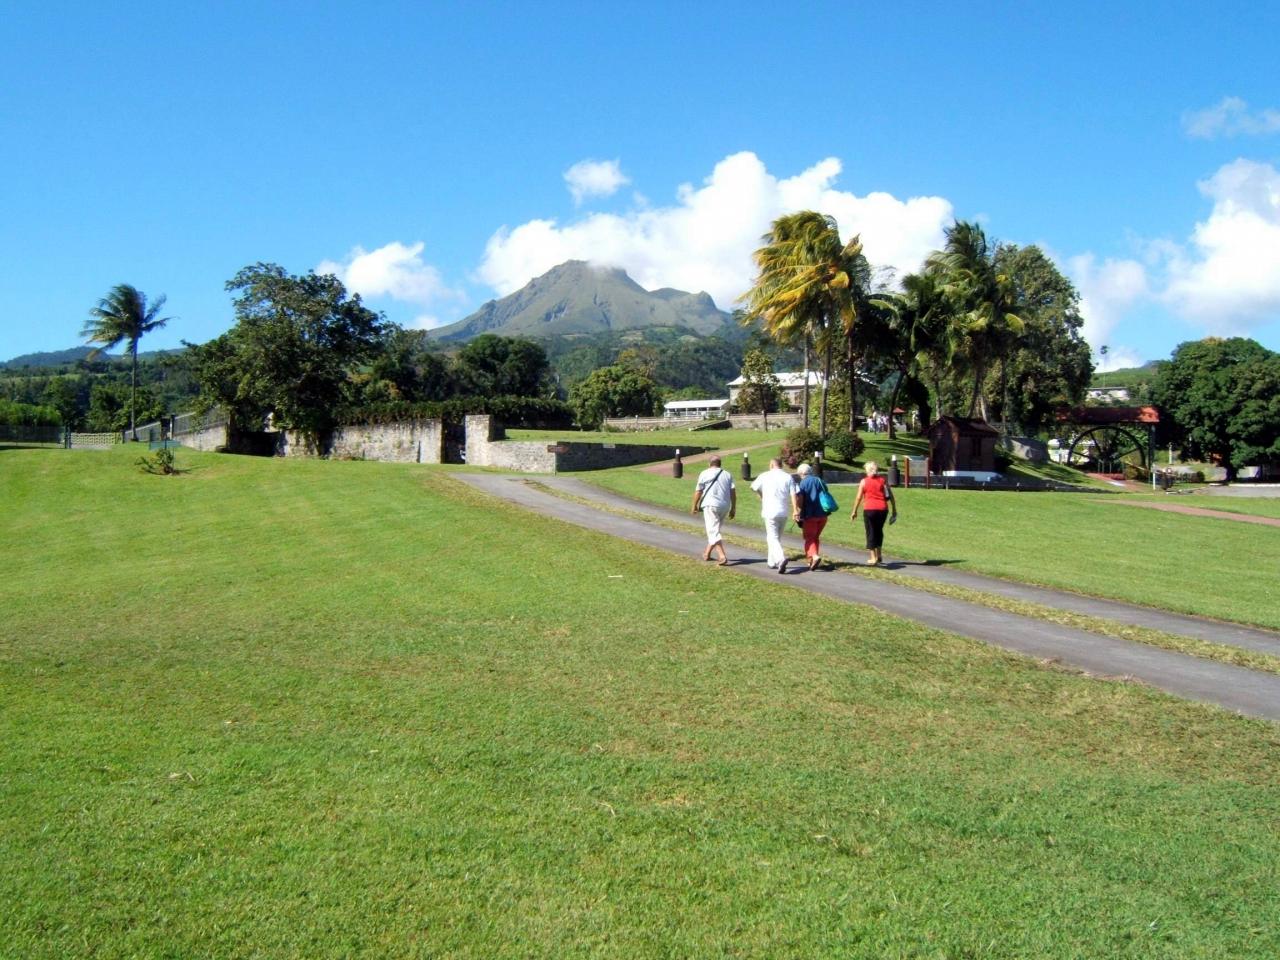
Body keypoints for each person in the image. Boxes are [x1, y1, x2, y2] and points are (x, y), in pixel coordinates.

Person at [750, 457, 795, 573]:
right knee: (776, 537)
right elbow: (793, 494)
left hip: (770, 510)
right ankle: (772, 561)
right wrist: (795, 510)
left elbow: (753, 487)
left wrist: (761, 494)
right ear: (781, 465)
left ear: (771, 465)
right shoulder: (788, 477)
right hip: (783, 511)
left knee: (772, 537)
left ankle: (780, 559)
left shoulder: (765, 475)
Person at [690, 455, 736, 565]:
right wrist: (733, 507)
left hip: (710, 505)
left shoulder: (704, 473)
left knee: (712, 531)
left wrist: (694, 505)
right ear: (720, 464)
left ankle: (722, 556)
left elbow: (699, 491)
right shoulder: (727, 474)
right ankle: (707, 553)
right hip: (724, 505)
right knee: (715, 530)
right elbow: (733, 492)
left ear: (709, 464)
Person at [850, 460, 897, 566]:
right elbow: (890, 496)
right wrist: (894, 510)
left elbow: (858, 497)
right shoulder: (883, 481)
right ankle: (879, 555)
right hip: (883, 509)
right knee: (879, 531)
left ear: (868, 470)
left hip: (869, 509)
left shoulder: (864, 481)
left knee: (870, 532)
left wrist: (854, 511)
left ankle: (873, 557)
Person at [792, 462, 831, 571]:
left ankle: (814, 556)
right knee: (815, 537)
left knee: (809, 537)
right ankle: (811, 561)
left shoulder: (803, 483)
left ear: (801, 473)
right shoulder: (819, 480)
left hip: (810, 515)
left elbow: (800, 501)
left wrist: (798, 509)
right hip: (823, 514)